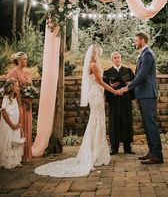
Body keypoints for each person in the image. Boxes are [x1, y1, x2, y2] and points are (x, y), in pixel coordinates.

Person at [34, 44, 121, 177]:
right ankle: (94, 154)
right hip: (96, 94)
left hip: (97, 93)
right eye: (99, 51)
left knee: (98, 121)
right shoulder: (93, 64)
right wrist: (114, 91)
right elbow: (100, 83)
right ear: (94, 53)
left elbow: (101, 81)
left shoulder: (93, 64)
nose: (100, 53)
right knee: (96, 122)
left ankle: (97, 153)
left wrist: (109, 85)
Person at [119, 32, 163, 164]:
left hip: (148, 94)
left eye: (136, 40)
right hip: (143, 94)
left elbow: (142, 74)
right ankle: (152, 152)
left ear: (142, 40)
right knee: (147, 125)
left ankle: (157, 155)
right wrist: (136, 93)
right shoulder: (144, 54)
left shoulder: (148, 54)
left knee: (151, 125)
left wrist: (128, 87)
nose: (134, 42)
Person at [103, 51, 135, 155]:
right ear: (112, 60)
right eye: (115, 58)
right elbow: (104, 87)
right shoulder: (107, 73)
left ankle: (127, 147)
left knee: (127, 121)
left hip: (126, 99)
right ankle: (114, 147)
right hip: (114, 100)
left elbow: (134, 84)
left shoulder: (128, 71)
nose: (117, 59)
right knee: (114, 122)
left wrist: (129, 84)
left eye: (119, 57)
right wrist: (111, 87)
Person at [7, 52, 33, 162]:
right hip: (18, 104)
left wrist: (30, 94)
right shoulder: (12, 73)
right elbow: (11, 90)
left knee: (28, 127)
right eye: (24, 59)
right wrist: (20, 98)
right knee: (20, 127)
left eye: (26, 59)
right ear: (19, 60)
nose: (26, 61)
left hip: (27, 103)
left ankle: (27, 153)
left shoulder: (27, 73)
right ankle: (18, 156)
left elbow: (31, 87)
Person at [0, 78, 25, 169]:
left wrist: (18, 124)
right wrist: (11, 125)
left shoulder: (16, 98)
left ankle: (16, 161)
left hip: (15, 124)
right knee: (8, 142)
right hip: (9, 124)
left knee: (15, 141)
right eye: (17, 86)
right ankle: (7, 162)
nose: (18, 87)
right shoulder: (7, 98)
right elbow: (3, 111)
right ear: (11, 87)